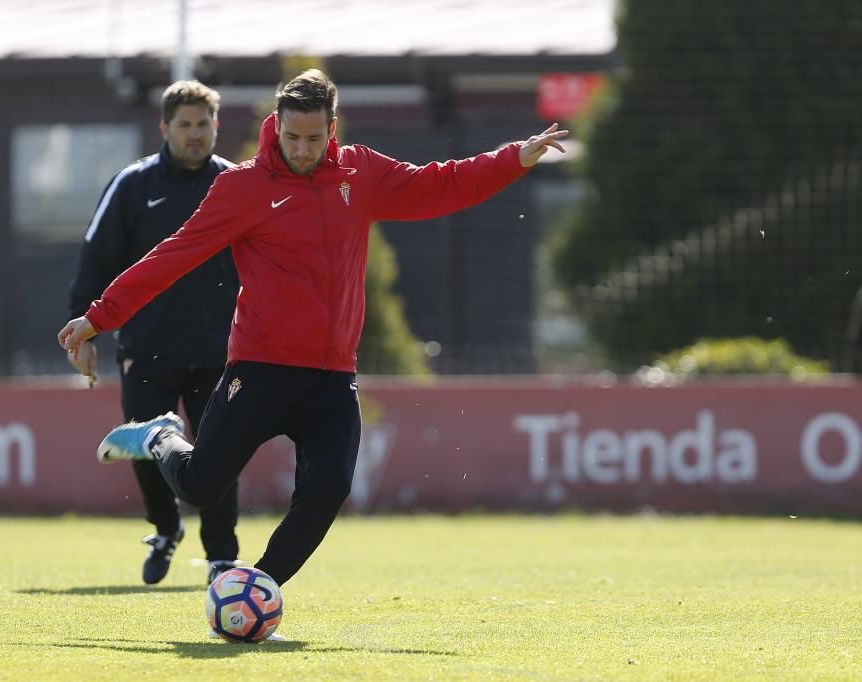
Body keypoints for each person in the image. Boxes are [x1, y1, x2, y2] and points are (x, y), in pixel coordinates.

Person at [59, 69, 567, 588]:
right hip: (259, 368)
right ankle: (161, 434)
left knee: (329, 490)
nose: (302, 149)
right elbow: (171, 258)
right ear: (276, 126)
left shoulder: (360, 173)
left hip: (330, 376)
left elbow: (439, 183)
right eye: (292, 137)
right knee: (200, 487)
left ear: (332, 129)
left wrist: (514, 158)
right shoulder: (243, 186)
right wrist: (97, 317)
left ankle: (255, 588)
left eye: (313, 138)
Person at [66, 80, 241, 586]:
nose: (194, 134)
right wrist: (86, 333)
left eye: (203, 124)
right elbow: (95, 260)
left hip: (221, 352)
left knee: (218, 455)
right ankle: (165, 528)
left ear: (216, 127)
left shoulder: (236, 184)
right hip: (148, 350)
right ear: (164, 128)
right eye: (184, 125)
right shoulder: (131, 185)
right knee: (143, 447)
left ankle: (222, 557)